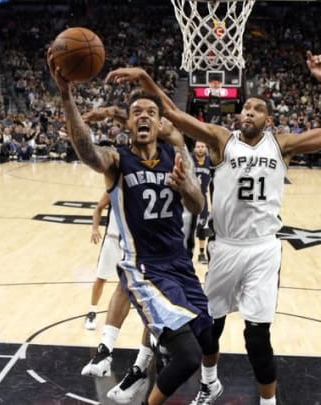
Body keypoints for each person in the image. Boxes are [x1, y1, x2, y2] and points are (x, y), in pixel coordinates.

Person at [106, 50, 321, 405]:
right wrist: (145, 79)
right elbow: (172, 115)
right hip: (225, 246)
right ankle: (209, 383)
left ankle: (269, 402)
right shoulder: (222, 139)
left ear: (268, 118)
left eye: (256, 109)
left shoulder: (282, 144)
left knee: (257, 337)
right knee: (208, 328)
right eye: (245, 108)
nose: (248, 112)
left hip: (263, 248)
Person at [48, 53, 214, 405]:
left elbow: (198, 206)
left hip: (180, 266)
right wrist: (66, 95)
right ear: (128, 123)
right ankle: (140, 382)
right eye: (136, 112)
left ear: (160, 124)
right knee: (186, 356)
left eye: (151, 113)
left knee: (206, 336)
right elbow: (86, 150)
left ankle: (140, 372)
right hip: (144, 269)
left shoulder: (175, 156)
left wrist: (186, 187)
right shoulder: (117, 160)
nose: (143, 116)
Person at [84, 191, 122, 330]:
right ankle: (92, 311)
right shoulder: (115, 188)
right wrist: (95, 228)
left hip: (131, 242)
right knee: (101, 277)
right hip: (112, 239)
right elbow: (99, 208)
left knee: (136, 283)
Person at [190, 141, 211, 264]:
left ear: (206, 148)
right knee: (186, 228)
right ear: (194, 148)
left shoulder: (210, 161)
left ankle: (201, 253)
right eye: (198, 147)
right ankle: (184, 252)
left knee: (202, 228)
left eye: (202, 146)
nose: (200, 149)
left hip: (203, 199)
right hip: (189, 199)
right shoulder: (189, 160)